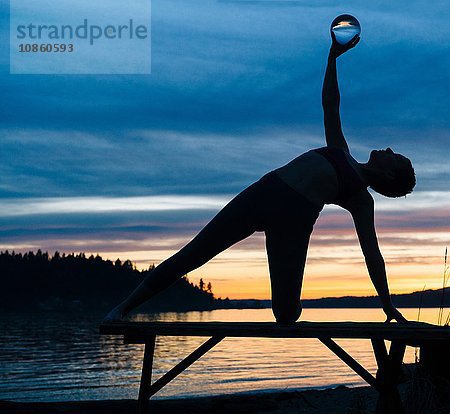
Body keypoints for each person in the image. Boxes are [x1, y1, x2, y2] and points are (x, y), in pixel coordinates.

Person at [104, 33, 415, 325]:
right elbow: (330, 103)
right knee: (193, 254)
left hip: (293, 223)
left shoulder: (360, 199)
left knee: (285, 313)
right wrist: (332, 58)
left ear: (389, 173)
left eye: (395, 156)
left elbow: (372, 254)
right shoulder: (340, 151)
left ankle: (295, 310)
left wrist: (387, 306)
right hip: (263, 195)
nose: (388, 149)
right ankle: (120, 310)